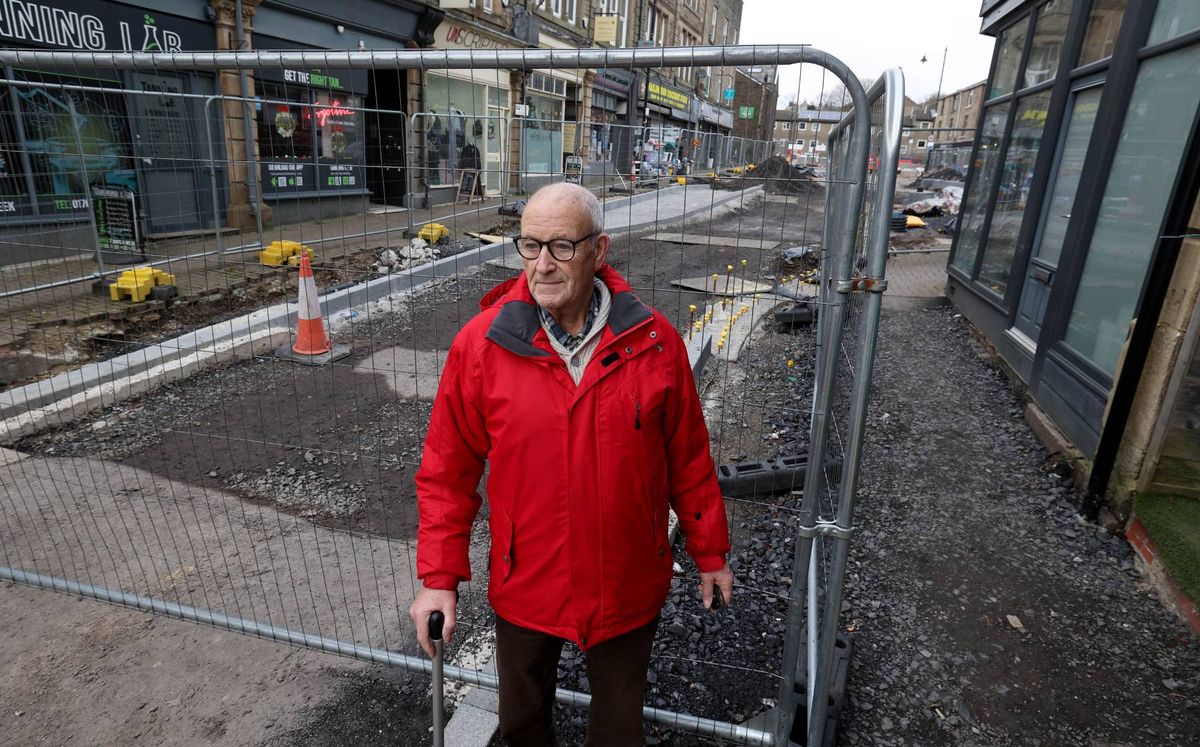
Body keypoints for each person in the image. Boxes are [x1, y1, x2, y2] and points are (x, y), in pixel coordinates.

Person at [409, 182, 734, 746]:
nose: (542, 264)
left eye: (561, 246)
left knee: (618, 728)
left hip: (627, 580)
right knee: (522, 724)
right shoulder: (482, 347)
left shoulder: (655, 344)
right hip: (526, 580)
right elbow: (446, 472)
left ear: (599, 250)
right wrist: (439, 580)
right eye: (530, 246)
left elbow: (688, 459)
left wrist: (710, 553)